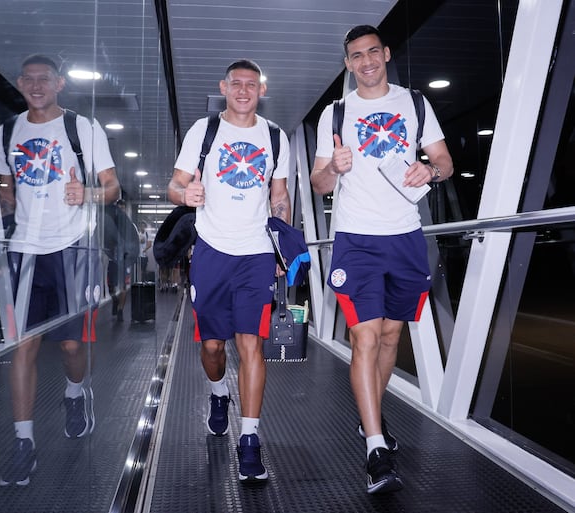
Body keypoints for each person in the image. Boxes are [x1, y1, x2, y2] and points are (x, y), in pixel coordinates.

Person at [310, 24, 454, 494]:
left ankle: (369, 417)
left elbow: (445, 162)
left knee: (391, 336)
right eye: (357, 55)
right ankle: (375, 446)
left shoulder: (415, 103)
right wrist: (333, 166)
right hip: (356, 238)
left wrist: (429, 169)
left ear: (386, 54)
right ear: (348, 63)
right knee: (364, 336)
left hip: (405, 236)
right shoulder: (335, 114)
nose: (367, 61)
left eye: (374, 52)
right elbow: (318, 184)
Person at [0, 53, 120, 487]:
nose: (35, 85)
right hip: (24, 250)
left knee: (70, 348)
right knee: (23, 347)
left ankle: (74, 392)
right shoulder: (7, 130)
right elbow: (4, 185)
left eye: (43, 79)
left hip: (72, 249)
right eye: (27, 79)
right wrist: (4, 201)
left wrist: (84, 192)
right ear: (19, 82)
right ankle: (23, 443)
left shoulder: (82, 128)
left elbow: (112, 189)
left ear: (59, 84)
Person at [167, 59, 290, 483]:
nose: (243, 90)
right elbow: (174, 184)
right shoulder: (204, 131)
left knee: (251, 345)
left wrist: (281, 246)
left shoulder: (275, 136)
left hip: (256, 254)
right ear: (223, 87)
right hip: (211, 252)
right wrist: (187, 194)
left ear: (262, 88)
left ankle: (250, 441)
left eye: (251, 84)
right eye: (236, 83)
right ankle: (219, 393)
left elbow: (280, 195)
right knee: (214, 348)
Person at [107, 199, 131, 322]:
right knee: (110, 286)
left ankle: (121, 310)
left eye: (123, 209)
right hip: (113, 260)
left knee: (123, 286)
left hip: (124, 260)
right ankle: (115, 300)